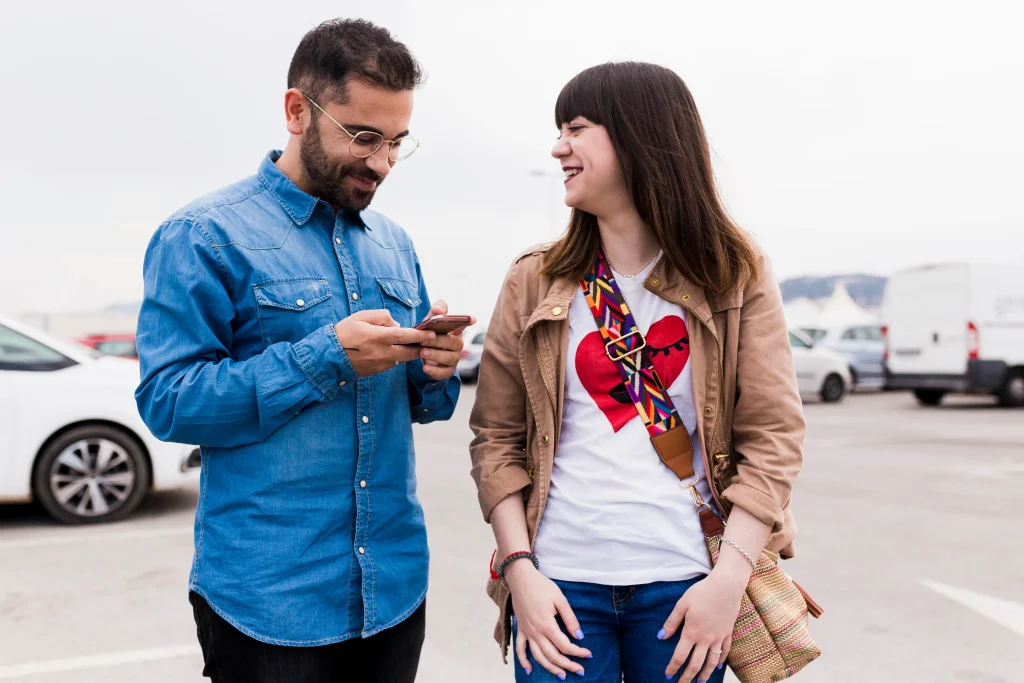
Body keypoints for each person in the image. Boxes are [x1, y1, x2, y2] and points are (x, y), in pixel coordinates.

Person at [135, 18, 471, 683]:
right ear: (297, 110)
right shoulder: (203, 234)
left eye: (398, 141)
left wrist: (435, 369)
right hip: (267, 601)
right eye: (364, 136)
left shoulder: (394, 244)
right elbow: (168, 403)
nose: (382, 162)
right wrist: (326, 358)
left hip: (395, 590)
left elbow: (425, 406)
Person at [469, 62, 806, 683]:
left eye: (575, 128)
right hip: (559, 590)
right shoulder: (532, 279)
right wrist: (520, 572)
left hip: (687, 589)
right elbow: (496, 440)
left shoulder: (734, 272)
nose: (557, 147)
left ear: (637, 138)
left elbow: (773, 437)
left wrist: (727, 584)